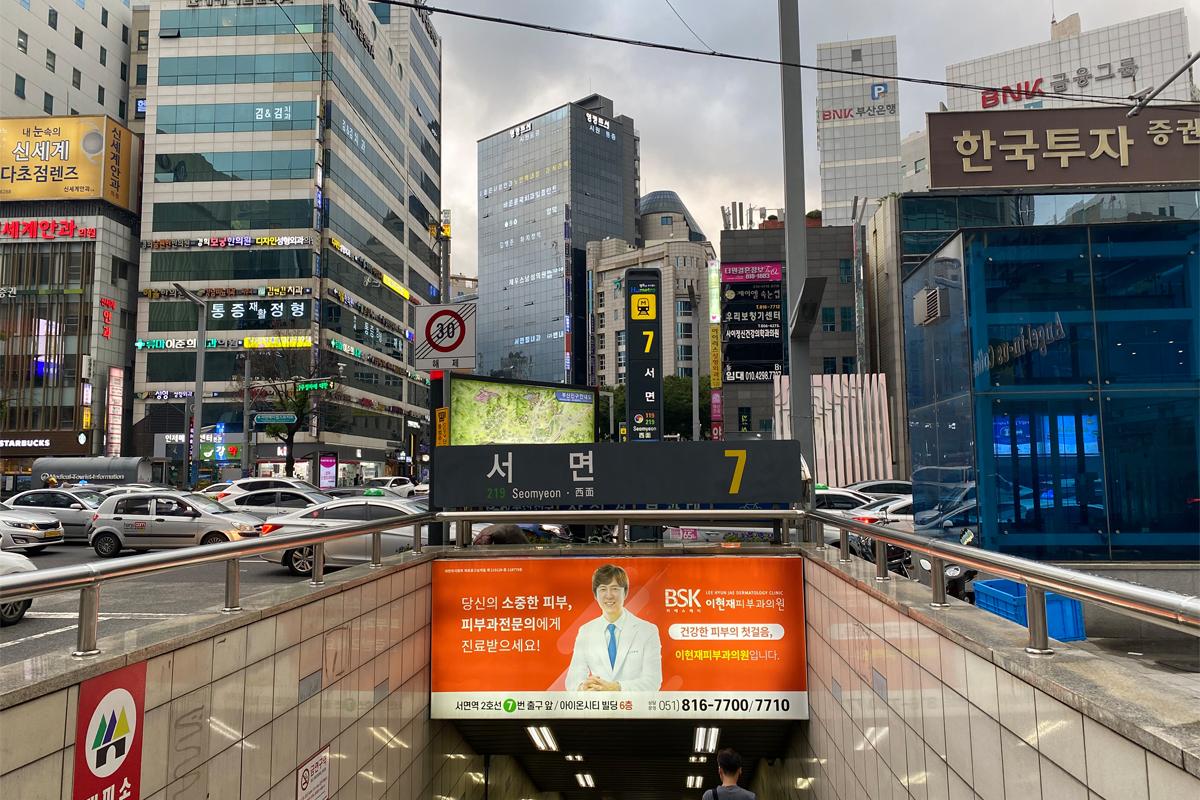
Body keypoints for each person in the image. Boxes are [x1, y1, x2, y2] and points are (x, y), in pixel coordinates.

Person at [565, 564, 662, 691]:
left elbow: (653, 681)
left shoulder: (647, 630)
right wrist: (583, 688)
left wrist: (616, 687)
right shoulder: (586, 631)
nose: (609, 595)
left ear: (625, 592)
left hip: (634, 707)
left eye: (615, 589)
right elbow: (573, 678)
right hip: (599, 707)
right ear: (595, 594)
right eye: (603, 589)